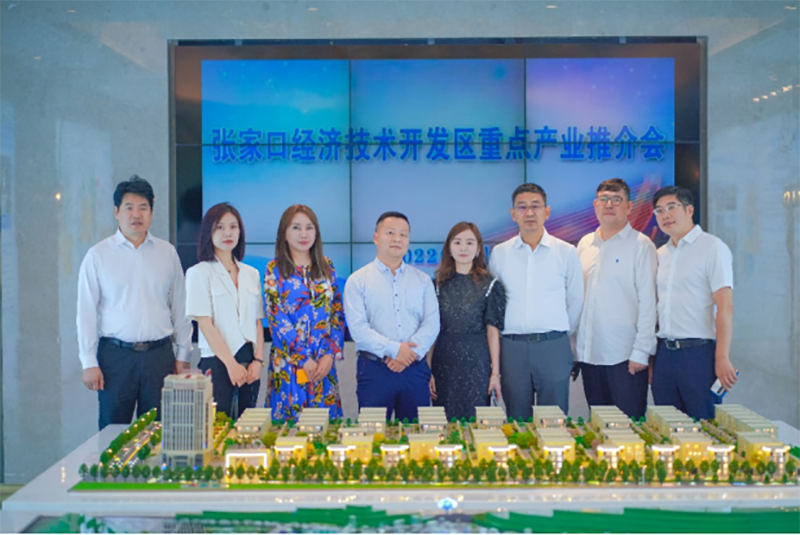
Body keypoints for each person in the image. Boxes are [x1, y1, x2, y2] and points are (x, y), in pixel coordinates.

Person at [77, 175, 192, 430]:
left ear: (152, 211)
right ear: (116, 212)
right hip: (116, 358)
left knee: (160, 433)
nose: (136, 214)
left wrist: (183, 354)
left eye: (143, 207)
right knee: (112, 432)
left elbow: (180, 305)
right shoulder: (98, 256)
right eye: (129, 207)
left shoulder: (167, 253)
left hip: (159, 357)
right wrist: (89, 362)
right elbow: (85, 312)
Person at [488, 183, 583, 420]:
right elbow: (494, 303)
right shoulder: (500, 253)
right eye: (522, 207)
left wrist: (559, 332)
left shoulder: (566, 252)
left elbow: (575, 300)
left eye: (535, 206)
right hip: (512, 349)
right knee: (517, 419)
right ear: (513, 214)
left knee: (553, 420)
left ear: (546, 212)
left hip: (553, 346)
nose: (529, 213)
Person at [344, 211, 440, 422]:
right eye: (390, 233)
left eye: (403, 234)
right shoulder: (357, 280)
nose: (397, 239)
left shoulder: (423, 280)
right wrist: (395, 350)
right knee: (373, 433)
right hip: (375, 370)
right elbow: (358, 329)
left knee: (418, 434)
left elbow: (432, 323)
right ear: (376, 237)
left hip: (414, 370)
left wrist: (408, 355)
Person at [651, 186, 737, 420]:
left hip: (698, 355)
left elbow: (725, 306)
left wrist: (722, 357)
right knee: (667, 426)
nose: (665, 215)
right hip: (664, 355)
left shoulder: (712, 248)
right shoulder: (660, 254)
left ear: (689, 210)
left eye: (672, 207)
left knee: (703, 426)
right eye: (659, 211)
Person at [575, 178, 657, 420]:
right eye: (604, 199)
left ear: (629, 207)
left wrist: (641, 352)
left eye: (616, 200)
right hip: (590, 355)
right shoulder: (585, 244)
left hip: (626, 358)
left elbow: (649, 304)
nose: (609, 205)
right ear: (595, 205)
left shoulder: (642, 246)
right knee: (599, 426)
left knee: (628, 430)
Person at [264, 205, 344, 422]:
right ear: (284, 233)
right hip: (289, 365)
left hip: (322, 363)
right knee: (287, 432)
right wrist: (303, 359)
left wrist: (329, 355)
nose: (303, 234)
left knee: (324, 430)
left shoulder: (327, 266)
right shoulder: (274, 269)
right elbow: (276, 318)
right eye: (296, 227)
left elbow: (337, 312)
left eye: (309, 228)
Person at [185, 203, 264, 419]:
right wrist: (231, 364)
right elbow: (205, 324)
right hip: (217, 361)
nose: (227, 233)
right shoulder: (198, 273)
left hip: (249, 362)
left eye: (233, 227)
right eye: (219, 227)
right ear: (208, 232)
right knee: (217, 427)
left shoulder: (251, 273)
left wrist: (258, 361)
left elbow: (258, 321)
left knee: (247, 427)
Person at [428, 222, 505, 421]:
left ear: (478, 248)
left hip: (477, 361)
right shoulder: (436, 285)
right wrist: (428, 370)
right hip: (443, 360)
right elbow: (431, 331)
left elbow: (492, 332)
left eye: (470, 243)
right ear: (449, 248)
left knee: (476, 420)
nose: (463, 248)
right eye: (457, 242)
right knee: (443, 422)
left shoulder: (490, 285)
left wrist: (495, 374)